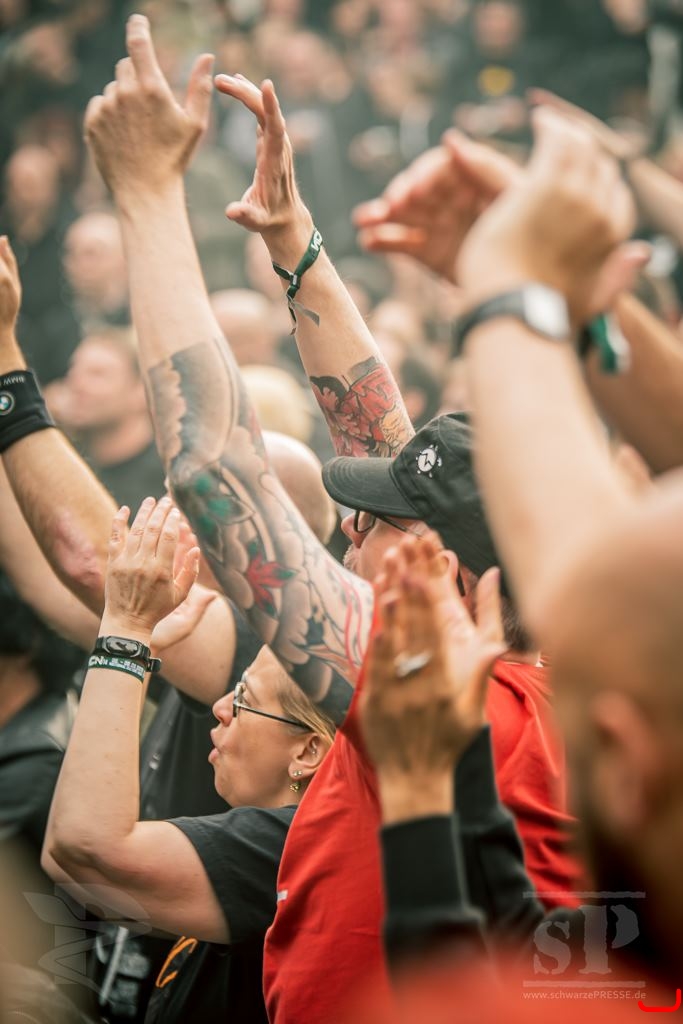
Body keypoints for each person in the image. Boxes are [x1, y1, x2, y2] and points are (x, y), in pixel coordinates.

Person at [78, 21, 582, 1021]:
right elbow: (388, 440)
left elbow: (217, 475)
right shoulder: (527, 679)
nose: (350, 533)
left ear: (448, 575)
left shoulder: (455, 702)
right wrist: (292, 242)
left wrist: (147, 197)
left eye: (378, 527)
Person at [42, 498, 335, 1024]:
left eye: (244, 699)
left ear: (308, 750)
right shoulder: (265, 830)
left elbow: (84, 845)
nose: (220, 708)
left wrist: (126, 634)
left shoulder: (289, 850)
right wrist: (139, 650)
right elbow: (66, 859)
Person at [46, 326, 166, 511]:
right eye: (73, 371)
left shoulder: (168, 481)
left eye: (97, 374)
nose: (77, 384)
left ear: (141, 391)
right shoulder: (68, 466)